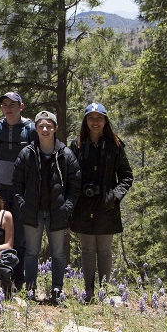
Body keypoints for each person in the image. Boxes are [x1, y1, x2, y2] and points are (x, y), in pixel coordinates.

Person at [12, 111, 80, 303]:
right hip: (32, 211)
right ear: (36, 128)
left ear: (55, 128)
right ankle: (31, 289)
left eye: (49, 126)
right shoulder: (27, 153)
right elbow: (17, 182)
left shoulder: (65, 154)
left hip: (57, 212)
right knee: (31, 252)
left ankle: (57, 290)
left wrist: (67, 207)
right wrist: (22, 205)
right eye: (41, 126)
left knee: (58, 253)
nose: (45, 129)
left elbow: (75, 184)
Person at [70, 103, 133, 301]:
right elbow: (70, 174)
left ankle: (105, 291)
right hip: (83, 204)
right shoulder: (77, 145)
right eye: (91, 118)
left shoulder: (114, 145)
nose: (95, 122)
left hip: (107, 206)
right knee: (88, 250)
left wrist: (114, 196)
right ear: (85, 121)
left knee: (104, 250)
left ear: (105, 121)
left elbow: (126, 176)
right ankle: (88, 291)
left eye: (99, 118)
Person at [0, 92, 35, 290]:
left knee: (20, 237)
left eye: (12, 104)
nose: (8, 108)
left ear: (21, 106)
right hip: (0, 191)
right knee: (0, 236)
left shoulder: (30, 129)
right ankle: (3, 278)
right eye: (5, 105)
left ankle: (19, 281)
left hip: (21, 192)